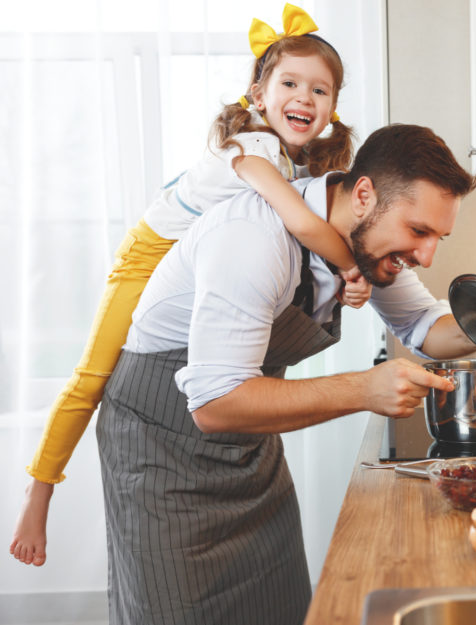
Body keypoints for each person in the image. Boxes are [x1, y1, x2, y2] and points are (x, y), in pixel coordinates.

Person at [10, 3, 370, 568]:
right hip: (149, 254)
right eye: (290, 83)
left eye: (320, 90)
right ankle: (38, 492)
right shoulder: (252, 148)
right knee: (93, 376)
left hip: (188, 263)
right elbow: (303, 225)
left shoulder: (298, 167)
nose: (304, 97)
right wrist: (353, 267)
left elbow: (300, 246)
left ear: (332, 108)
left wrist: (341, 282)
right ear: (257, 93)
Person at [95, 122, 476, 625]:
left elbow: (426, 327)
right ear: (364, 195)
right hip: (162, 452)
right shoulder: (254, 238)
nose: (426, 255)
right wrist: (364, 388)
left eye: (437, 237)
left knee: (279, 608)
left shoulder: (362, 242)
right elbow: (214, 404)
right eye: (418, 231)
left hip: (248, 452)